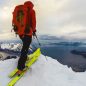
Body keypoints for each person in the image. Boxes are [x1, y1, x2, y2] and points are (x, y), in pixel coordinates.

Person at [12, 1, 36, 74]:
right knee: (25, 49)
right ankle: (20, 67)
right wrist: (34, 30)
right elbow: (33, 22)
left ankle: (24, 58)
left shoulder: (19, 10)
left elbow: (14, 21)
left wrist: (20, 30)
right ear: (31, 5)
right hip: (27, 33)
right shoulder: (31, 11)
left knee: (25, 46)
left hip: (20, 33)